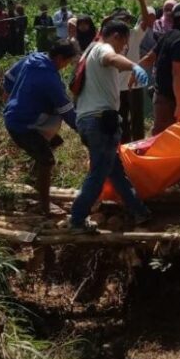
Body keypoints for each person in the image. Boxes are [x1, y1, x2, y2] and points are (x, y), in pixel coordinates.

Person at [69, 20, 151, 233]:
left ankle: (139, 210)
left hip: (88, 119)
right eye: (124, 43)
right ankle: (77, 218)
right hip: (99, 121)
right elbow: (111, 58)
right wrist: (134, 66)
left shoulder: (88, 53)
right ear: (117, 36)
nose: (124, 48)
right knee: (98, 173)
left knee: (114, 170)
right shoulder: (103, 48)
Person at [3, 40, 79, 214]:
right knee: (47, 160)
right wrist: (82, 130)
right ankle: (44, 206)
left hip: (18, 118)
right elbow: (66, 109)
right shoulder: (49, 78)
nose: (66, 66)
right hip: (23, 126)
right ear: (60, 58)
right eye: (67, 62)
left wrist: (10, 97)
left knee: (53, 142)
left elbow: (9, 77)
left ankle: (34, 181)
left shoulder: (33, 58)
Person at [140, 2, 180, 135]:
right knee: (164, 137)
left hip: (162, 95)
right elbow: (177, 73)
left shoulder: (168, 35)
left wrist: (134, 69)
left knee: (173, 135)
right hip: (170, 100)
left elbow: (150, 58)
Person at [111, 0, 150, 143]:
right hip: (117, 87)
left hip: (135, 85)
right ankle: (125, 150)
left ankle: (139, 148)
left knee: (137, 120)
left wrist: (141, 1)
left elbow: (146, 20)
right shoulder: (109, 39)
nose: (125, 22)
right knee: (121, 121)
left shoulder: (134, 34)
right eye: (121, 19)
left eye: (127, 19)